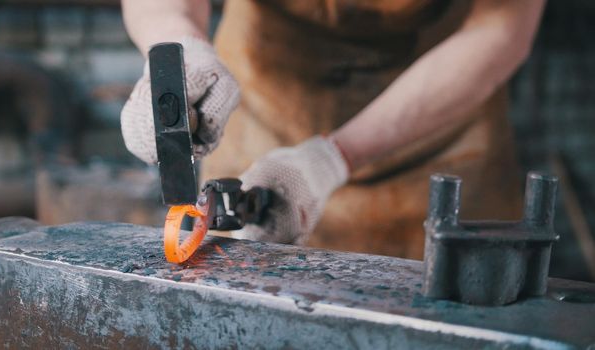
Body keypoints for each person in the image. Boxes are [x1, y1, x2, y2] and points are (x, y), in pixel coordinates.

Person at [120, 0, 545, 259]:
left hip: (440, 130)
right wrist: (180, 48)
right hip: (257, 112)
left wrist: (332, 157)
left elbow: (501, 29)